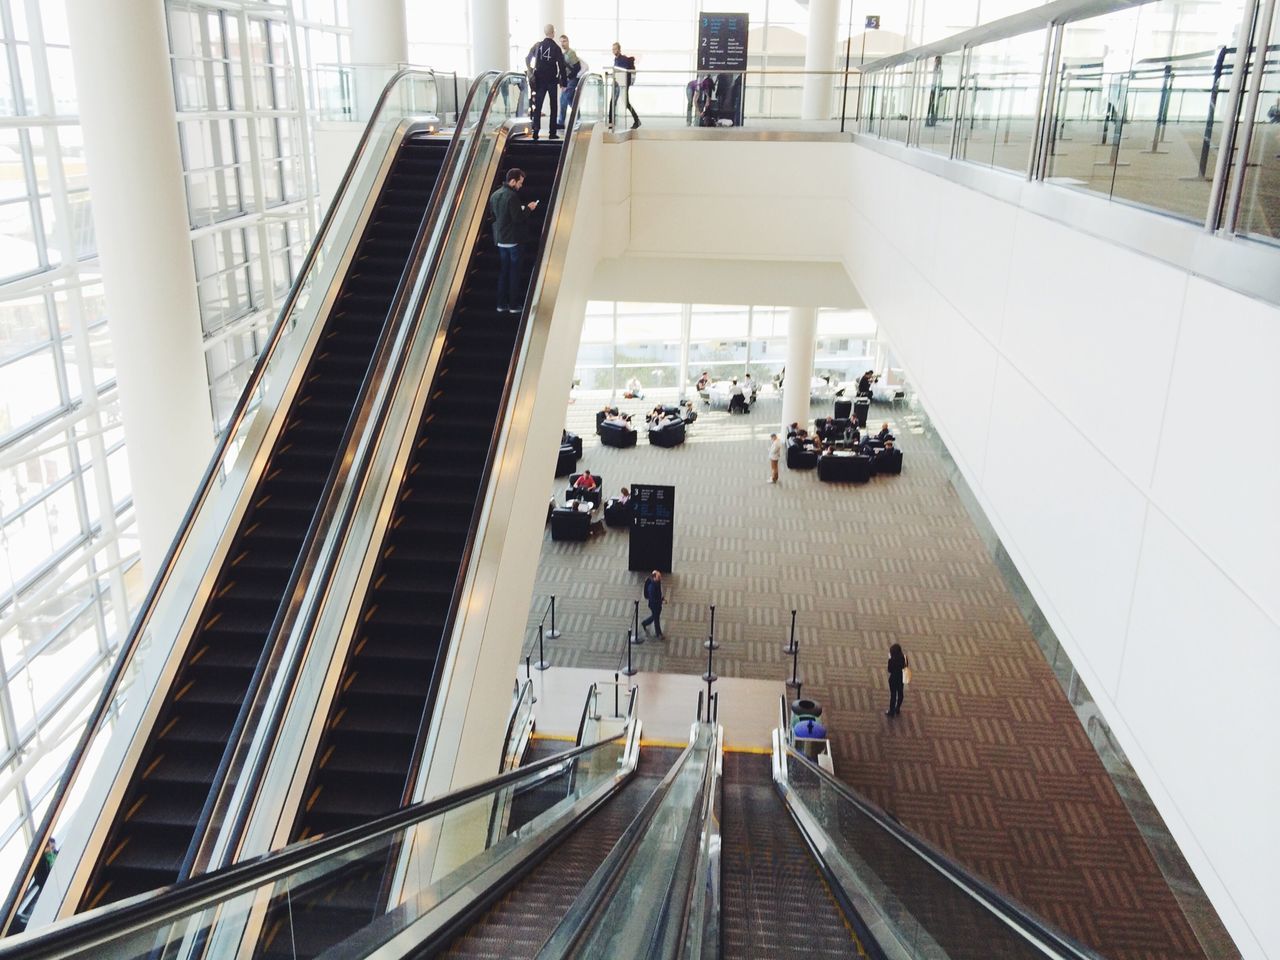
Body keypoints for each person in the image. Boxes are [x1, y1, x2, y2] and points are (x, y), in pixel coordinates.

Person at [488, 168, 538, 314]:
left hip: (500, 239)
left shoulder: (495, 195)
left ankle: (501, 304)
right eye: (520, 182)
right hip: (513, 240)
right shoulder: (512, 197)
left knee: (504, 271)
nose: (521, 186)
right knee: (514, 272)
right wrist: (528, 208)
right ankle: (513, 305)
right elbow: (518, 218)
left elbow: (494, 215)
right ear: (513, 181)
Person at [526, 24, 566, 141]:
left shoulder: (538, 46)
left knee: (538, 106)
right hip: (552, 81)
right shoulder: (556, 48)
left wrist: (530, 70)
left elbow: (527, 58)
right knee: (553, 106)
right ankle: (552, 132)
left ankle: (535, 131)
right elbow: (562, 66)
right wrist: (563, 82)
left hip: (539, 80)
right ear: (553, 33)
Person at [610, 42, 641, 129]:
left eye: (615, 49)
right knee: (613, 102)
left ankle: (636, 120)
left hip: (622, 85)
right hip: (617, 84)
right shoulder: (616, 59)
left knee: (624, 103)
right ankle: (611, 122)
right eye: (613, 49)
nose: (614, 50)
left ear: (619, 49)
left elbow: (623, 72)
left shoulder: (623, 59)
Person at [557, 34, 585, 130]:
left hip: (571, 79)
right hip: (566, 80)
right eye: (561, 41)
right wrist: (561, 81)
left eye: (564, 41)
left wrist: (568, 77)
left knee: (565, 98)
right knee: (568, 100)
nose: (562, 43)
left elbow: (576, 67)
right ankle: (577, 120)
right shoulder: (562, 54)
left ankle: (561, 122)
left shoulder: (571, 53)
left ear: (568, 42)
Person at [641, 569, 665, 638]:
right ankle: (659, 634)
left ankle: (644, 623)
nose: (660, 578)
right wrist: (661, 600)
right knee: (656, 619)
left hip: (657, 604)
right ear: (654, 577)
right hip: (654, 605)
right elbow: (653, 599)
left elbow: (658, 594)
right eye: (659, 577)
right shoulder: (651, 587)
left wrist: (661, 598)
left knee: (654, 617)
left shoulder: (657, 582)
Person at [886, 642, 908, 717]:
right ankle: (897, 708)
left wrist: (890, 660)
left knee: (893, 695)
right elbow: (906, 666)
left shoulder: (892, 660)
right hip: (901, 678)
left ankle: (891, 711)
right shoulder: (904, 657)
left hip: (893, 679)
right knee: (900, 693)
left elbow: (889, 670)